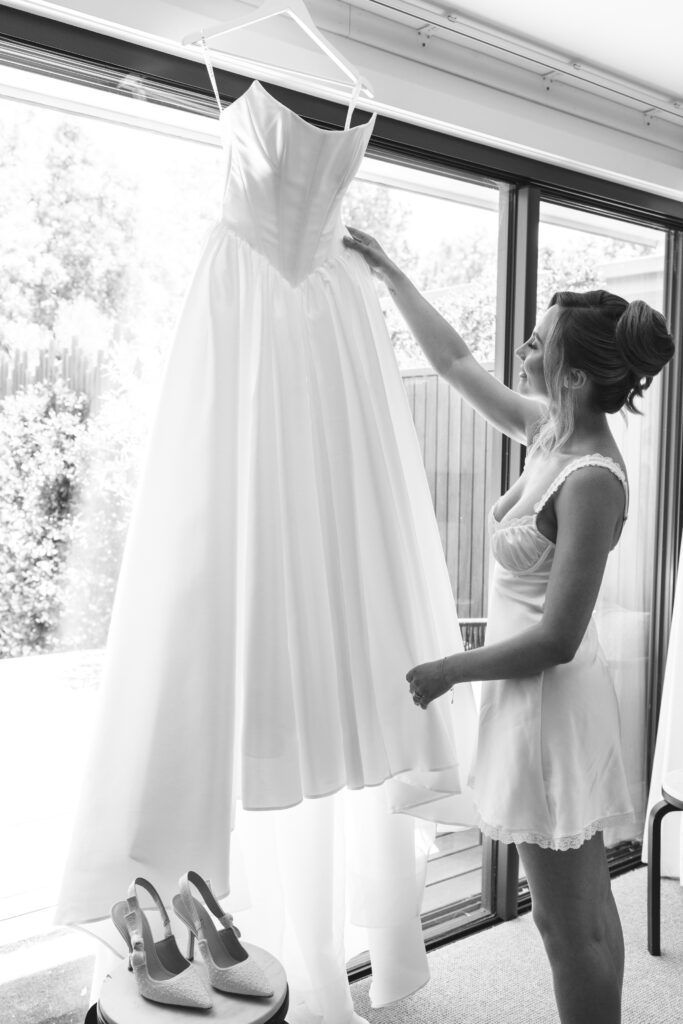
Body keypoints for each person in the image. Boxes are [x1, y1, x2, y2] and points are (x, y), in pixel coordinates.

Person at [343, 225, 675, 1024]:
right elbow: (456, 365)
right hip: (524, 701)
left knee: (566, 924)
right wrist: (389, 271)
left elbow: (557, 637)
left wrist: (448, 668)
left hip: (548, 710)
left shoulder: (591, 479)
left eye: (535, 340)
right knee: (580, 913)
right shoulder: (546, 433)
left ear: (570, 372)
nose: (522, 348)